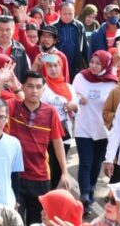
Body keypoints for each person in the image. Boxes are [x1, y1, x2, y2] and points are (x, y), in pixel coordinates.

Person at [9, 71, 70, 225]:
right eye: (30, 86)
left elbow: (57, 143)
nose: (34, 91)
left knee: (37, 222)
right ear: (22, 87)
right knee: (14, 220)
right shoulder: (13, 106)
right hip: (15, 175)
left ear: (44, 89)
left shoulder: (50, 112)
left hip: (40, 177)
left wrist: (64, 172)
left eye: (38, 87)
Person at [73, 50, 118, 214]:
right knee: (85, 163)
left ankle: (91, 190)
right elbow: (72, 95)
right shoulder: (80, 77)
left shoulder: (112, 84)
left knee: (95, 165)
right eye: (92, 61)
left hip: (103, 130)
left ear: (106, 65)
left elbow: (114, 106)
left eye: (98, 63)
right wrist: (78, 98)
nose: (93, 65)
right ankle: (84, 197)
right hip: (83, 128)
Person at [40, 54, 79, 190]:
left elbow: (76, 106)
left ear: (61, 67)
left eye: (56, 65)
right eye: (49, 66)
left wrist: (72, 106)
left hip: (64, 135)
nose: (53, 69)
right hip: (45, 136)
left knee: (57, 173)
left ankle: (50, 200)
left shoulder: (68, 87)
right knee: (46, 172)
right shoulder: (42, 86)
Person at [53, 2, 89, 79]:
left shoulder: (79, 26)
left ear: (74, 12)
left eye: (70, 14)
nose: (67, 16)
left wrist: (89, 63)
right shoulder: (53, 27)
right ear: (59, 13)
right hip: (58, 64)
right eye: (65, 14)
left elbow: (85, 47)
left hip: (75, 64)